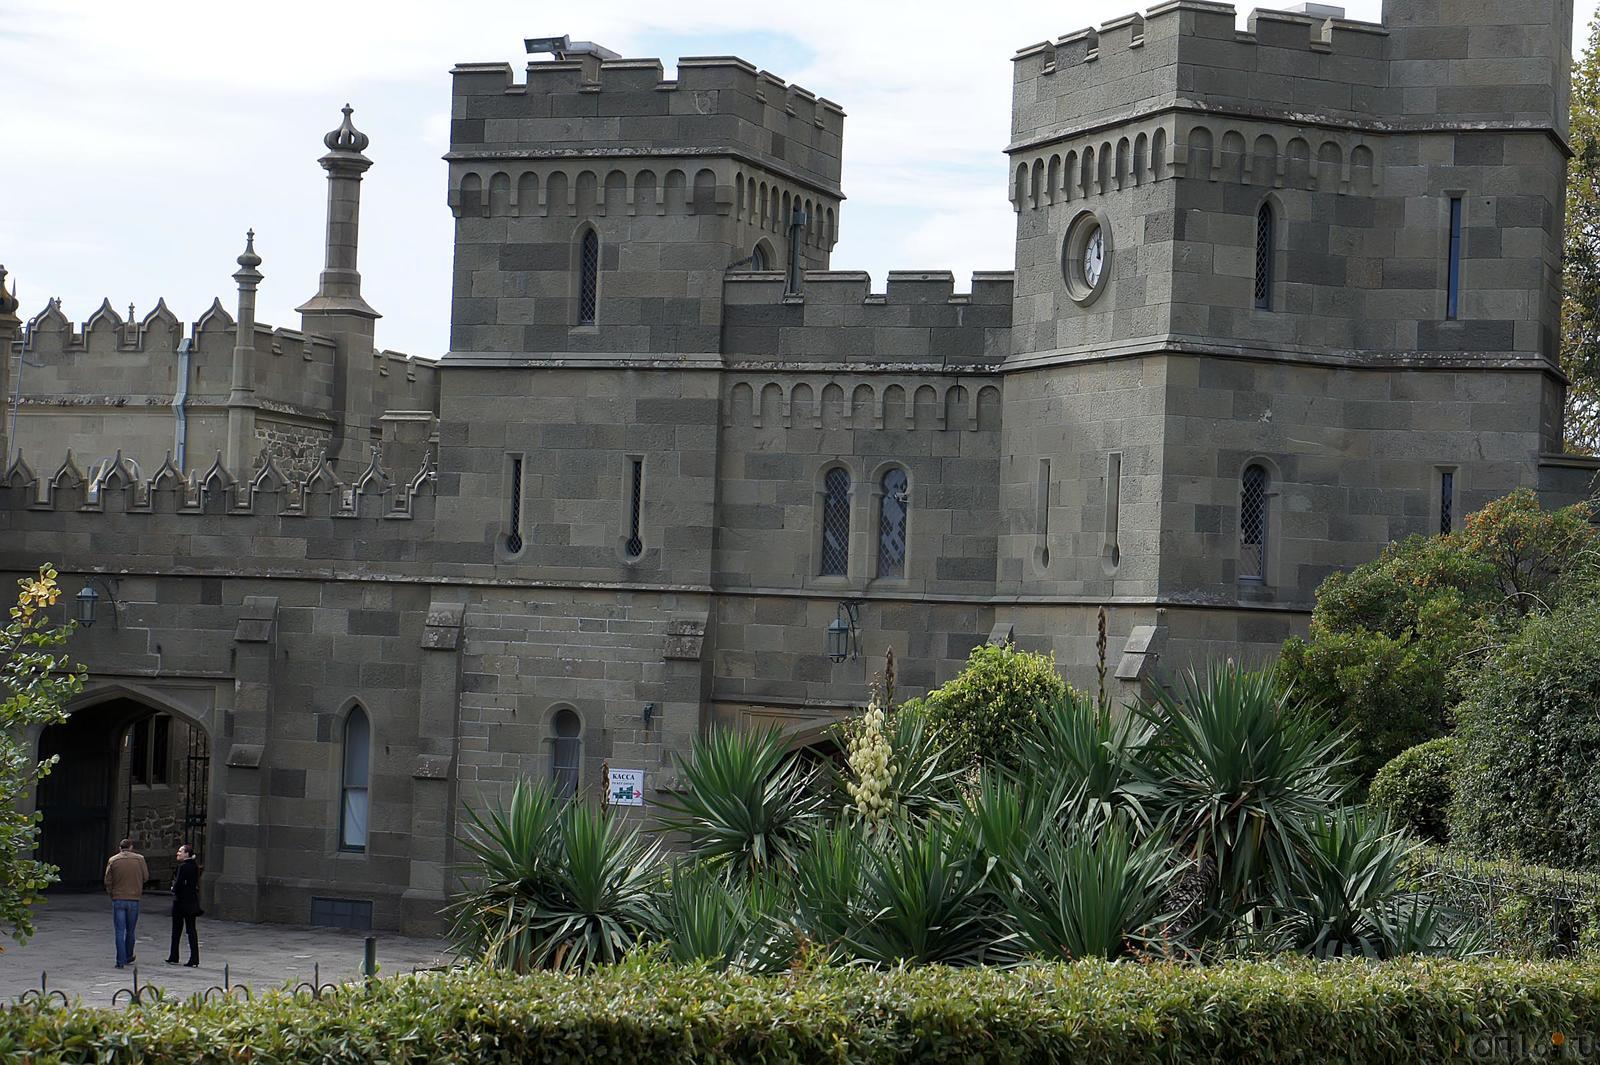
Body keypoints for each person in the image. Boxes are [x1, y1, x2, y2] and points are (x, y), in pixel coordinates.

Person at [103, 838, 148, 969]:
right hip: (134, 898)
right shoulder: (140, 859)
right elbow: (146, 877)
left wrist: (112, 893)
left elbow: (107, 880)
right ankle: (128, 955)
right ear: (131, 847)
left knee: (119, 931)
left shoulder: (113, 860)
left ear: (120, 848)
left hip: (118, 898)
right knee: (130, 930)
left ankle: (120, 960)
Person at [165, 843, 202, 967]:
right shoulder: (194, 866)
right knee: (191, 930)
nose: (178, 853)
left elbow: (179, 883)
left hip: (180, 902)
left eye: (180, 851)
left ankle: (174, 955)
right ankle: (194, 958)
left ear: (186, 854)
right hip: (191, 902)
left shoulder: (183, 867)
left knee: (176, 930)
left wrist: (173, 888)